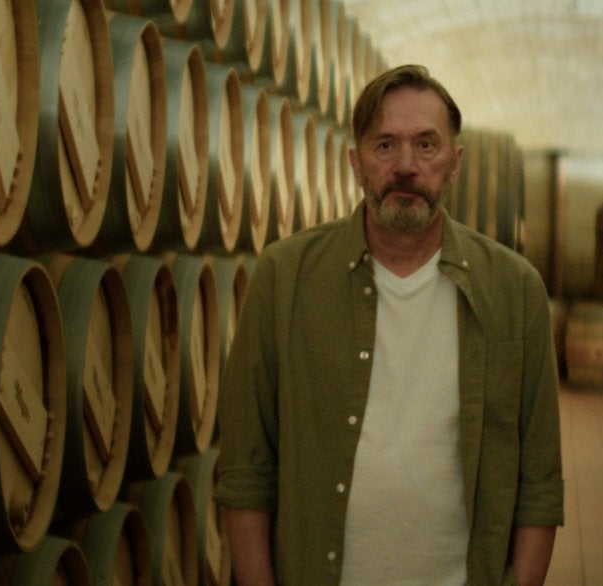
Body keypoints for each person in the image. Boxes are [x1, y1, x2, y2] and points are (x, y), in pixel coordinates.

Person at [215, 63, 564, 586]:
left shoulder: (515, 289)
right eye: (385, 146)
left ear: (456, 162)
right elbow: (245, 472)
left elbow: (539, 484)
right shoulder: (283, 278)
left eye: (426, 145)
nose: (406, 165)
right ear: (355, 163)